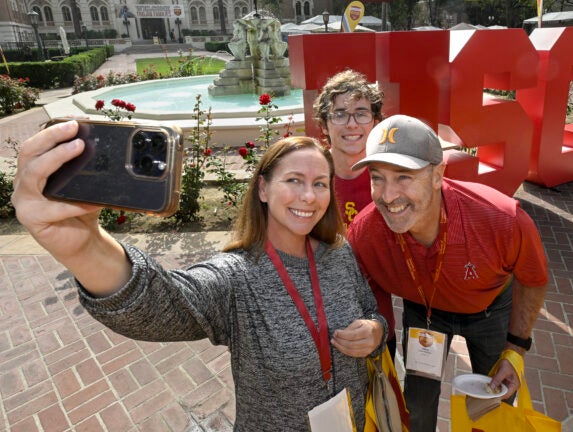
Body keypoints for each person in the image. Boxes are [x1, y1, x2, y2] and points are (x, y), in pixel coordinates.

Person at [12, 125, 388, 431]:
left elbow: (372, 311)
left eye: (320, 183)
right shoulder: (235, 277)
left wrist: (375, 331)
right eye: (294, 180)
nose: (309, 196)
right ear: (262, 188)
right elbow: (164, 306)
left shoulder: (338, 253)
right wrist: (84, 248)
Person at [346, 115, 549, 432]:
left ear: (438, 174)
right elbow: (371, 293)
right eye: (377, 178)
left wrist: (516, 348)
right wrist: (378, 351)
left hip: (490, 310)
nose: (387, 196)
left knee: (493, 400)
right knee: (418, 402)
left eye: (404, 177)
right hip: (425, 313)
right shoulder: (364, 233)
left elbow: (533, 280)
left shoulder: (503, 219)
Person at [312, 69, 384, 226]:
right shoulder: (310, 175)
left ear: (375, 124)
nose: (352, 124)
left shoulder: (389, 175)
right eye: (340, 115)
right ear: (324, 125)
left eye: (361, 114)